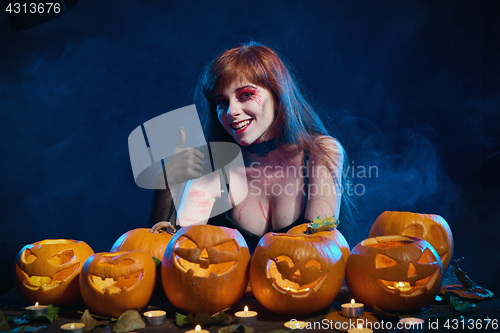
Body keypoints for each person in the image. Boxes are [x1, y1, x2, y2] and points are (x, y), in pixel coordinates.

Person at [150, 42, 353, 251]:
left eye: (245, 95)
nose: (231, 111)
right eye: (222, 102)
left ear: (277, 97)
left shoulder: (321, 152)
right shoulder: (213, 169)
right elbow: (176, 255)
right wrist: (168, 181)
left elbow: (321, 245)